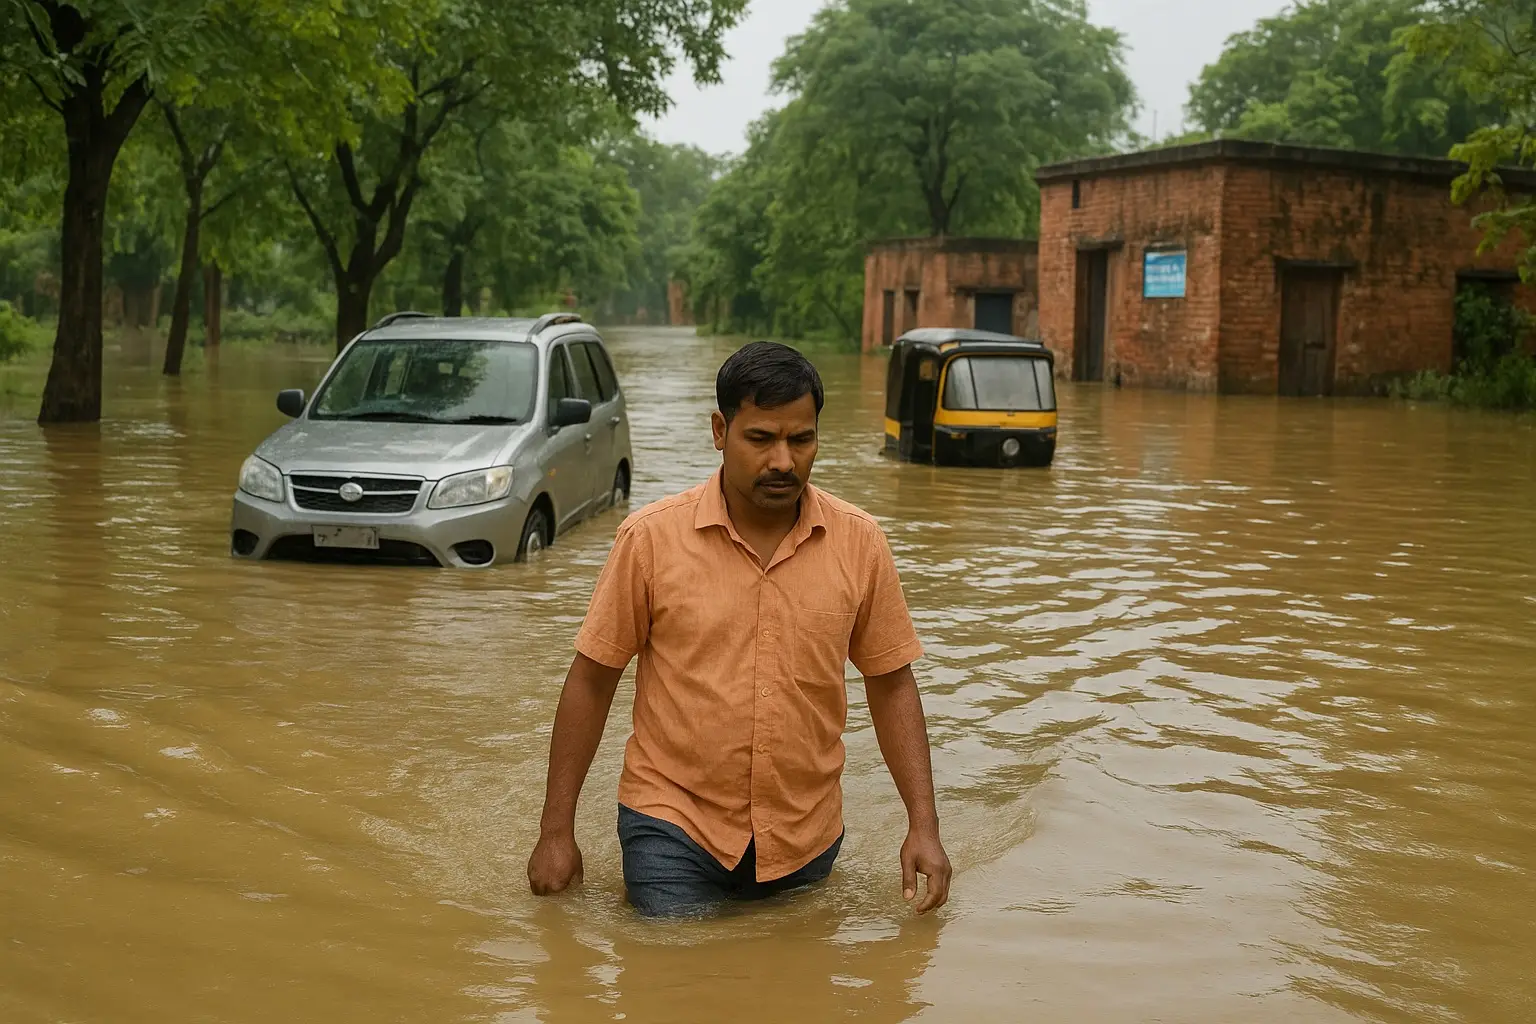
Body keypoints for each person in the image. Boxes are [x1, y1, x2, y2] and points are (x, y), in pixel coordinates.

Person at [526, 341, 952, 918]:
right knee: (670, 959)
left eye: (801, 440)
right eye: (761, 438)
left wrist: (923, 825)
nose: (783, 461)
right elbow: (592, 680)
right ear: (720, 431)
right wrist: (556, 832)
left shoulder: (860, 543)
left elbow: (892, 683)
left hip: (806, 833)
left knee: (794, 966)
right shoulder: (650, 541)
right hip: (672, 822)